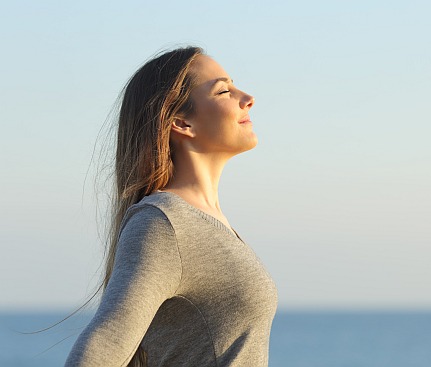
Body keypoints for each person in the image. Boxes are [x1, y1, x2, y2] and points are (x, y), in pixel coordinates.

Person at [65, 46, 278, 366]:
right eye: (224, 90)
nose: (247, 97)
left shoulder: (203, 221)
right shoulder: (163, 223)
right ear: (180, 122)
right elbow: (101, 349)